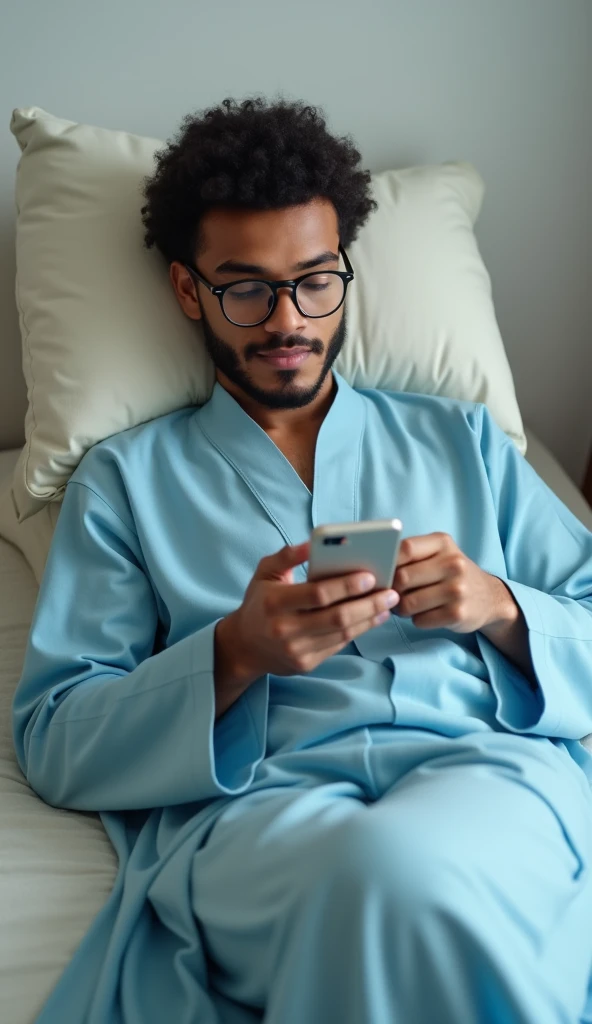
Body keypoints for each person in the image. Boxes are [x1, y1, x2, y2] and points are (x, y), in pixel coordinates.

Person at [12, 96, 592, 1024]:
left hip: (481, 771)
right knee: (375, 879)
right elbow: (54, 735)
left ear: (345, 277)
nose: (289, 319)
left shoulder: (467, 441)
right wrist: (233, 654)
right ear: (186, 291)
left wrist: (500, 606)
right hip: (264, 805)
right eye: (246, 288)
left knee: (419, 878)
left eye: (315, 281)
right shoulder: (127, 481)